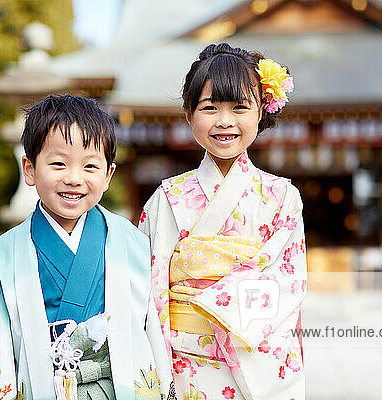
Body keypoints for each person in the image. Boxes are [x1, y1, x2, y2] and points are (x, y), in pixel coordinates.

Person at [0, 94, 174, 400]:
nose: (73, 179)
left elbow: (159, 328)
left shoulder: (135, 245)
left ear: (108, 175)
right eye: (58, 164)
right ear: (29, 169)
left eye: (90, 166)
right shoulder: (1, 259)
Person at [138, 43, 307, 399]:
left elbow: (287, 281)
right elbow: (150, 291)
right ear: (188, 114)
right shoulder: (167, 198)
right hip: (185, 363)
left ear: (261, 112)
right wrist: (156, 365)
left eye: (240, 107)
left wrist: (217, 308)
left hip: (255, 356)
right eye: (210, 107)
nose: (225, 121)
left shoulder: (282, 197)